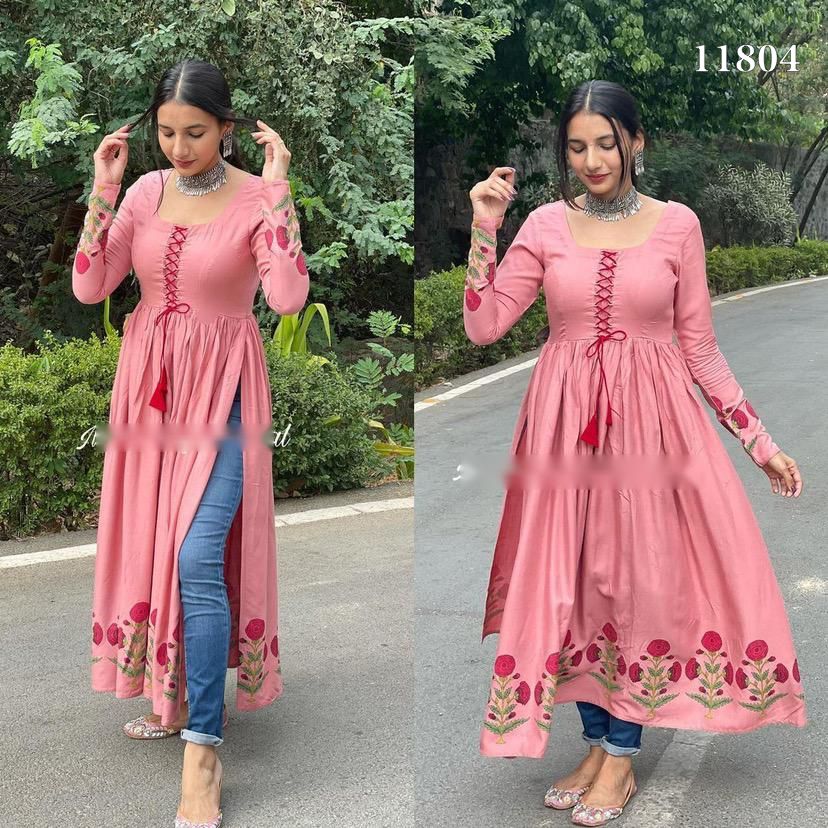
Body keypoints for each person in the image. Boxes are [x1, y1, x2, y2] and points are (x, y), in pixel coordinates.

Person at [463, 79, 806, 826]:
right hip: (562, 436)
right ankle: (594, 744)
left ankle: (620, 758)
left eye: (606, 144)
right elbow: (485, 327)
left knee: (635, 585)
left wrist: (760, 443)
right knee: (576, 586)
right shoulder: (546, 226)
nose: (591, 160)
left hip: (653, 435)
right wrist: (486, 228)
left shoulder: (677, 225)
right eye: (577, 146)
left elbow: (702, 351)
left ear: (635, 142)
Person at [74, 59, 309, 827]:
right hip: (149, 392)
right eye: (167, 133)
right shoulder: (144, 192)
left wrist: (278, 190)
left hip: (228, 398)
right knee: (157, 546)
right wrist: (104, 191)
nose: (178, 148)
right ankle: (172, 701)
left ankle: (204, 750)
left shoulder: (251, 197)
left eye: (196, 133)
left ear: (228, 129)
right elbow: (90, 285)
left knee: (196, 554)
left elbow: (286, 296)